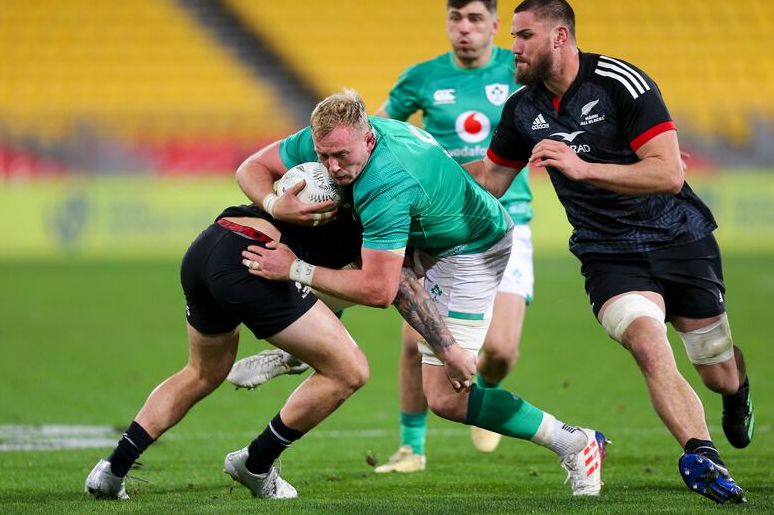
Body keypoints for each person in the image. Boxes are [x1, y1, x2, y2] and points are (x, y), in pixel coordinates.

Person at [236, 88, 609, 496]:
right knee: (332, 246)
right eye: (324, 155)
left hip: (471, 249)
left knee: (447, 399)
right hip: (422, 232)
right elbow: (251, 168)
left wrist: (294, 268)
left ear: (369, 138)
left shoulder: (389, 183)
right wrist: (275, 205)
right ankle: (300, 352)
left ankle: (575, 442)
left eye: (341, 156)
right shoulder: (332, 135)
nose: (331, 167)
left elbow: (381, 290)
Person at [469, 0, 752, 504]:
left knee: (717, 371)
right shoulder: (522, 109)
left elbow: (668, 173)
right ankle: (701, 455)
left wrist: (582, 167)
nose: (512, 47)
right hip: (608, 253)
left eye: (523, 36)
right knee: (647, 343)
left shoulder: (621, 83)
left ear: (560, 36)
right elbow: (490, 178)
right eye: (511, 37)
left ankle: (738, 394)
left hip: (679, 240)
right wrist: (423, 177)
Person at [84, 204, 373, 501]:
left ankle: (112, 469)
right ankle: (256, 463)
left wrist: (271, 201)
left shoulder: (316, 162)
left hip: (210, 243)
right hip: (254, 257)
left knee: (200, 373)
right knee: (349, 371)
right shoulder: (379, 198)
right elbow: (376, 286)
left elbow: (250, 168)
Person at [371, 0, 533, 470]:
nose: (465, 28)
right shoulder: (421, 78)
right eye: (457, 18)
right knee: (414, 337)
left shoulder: (519, 69)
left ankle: (485, 400)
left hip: (509, 224)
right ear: (447, 21)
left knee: (501, 350)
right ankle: (411, 447)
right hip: (441, 228)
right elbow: (378, 130)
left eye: (476, 19)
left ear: (495, 24)